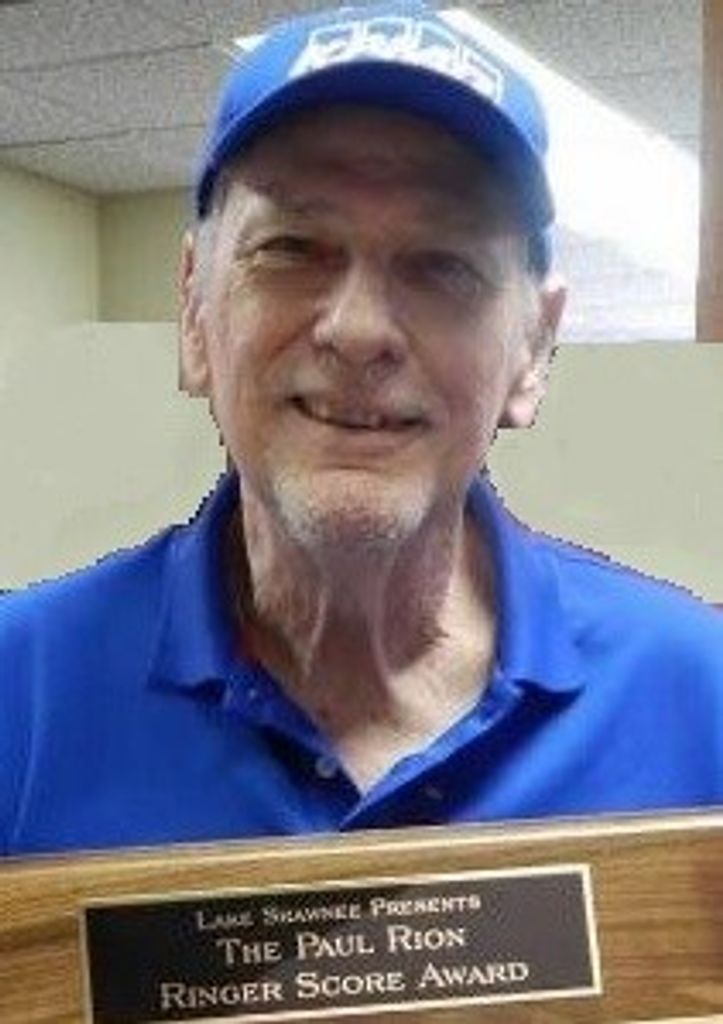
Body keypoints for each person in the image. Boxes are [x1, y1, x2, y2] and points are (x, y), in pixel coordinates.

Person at [2, 2, 722, 857]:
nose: (357, 330)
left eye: (442, 264)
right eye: (292, 248)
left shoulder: (697, 696)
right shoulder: (21, 693)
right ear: (194, 311)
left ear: (532, 348)